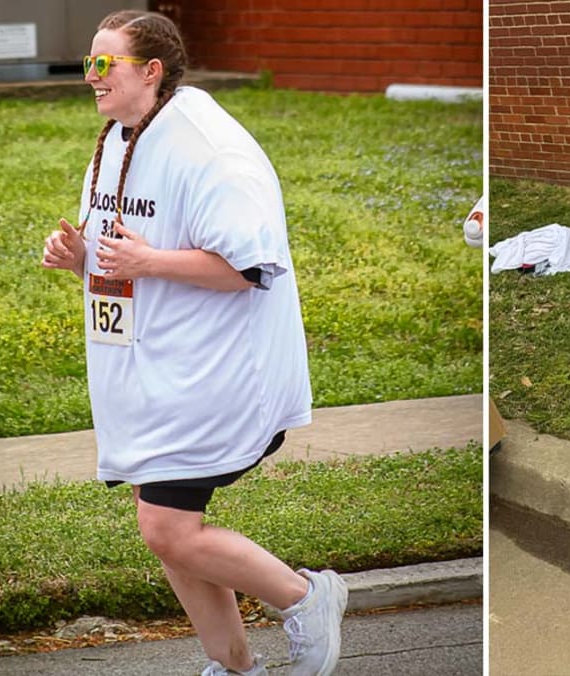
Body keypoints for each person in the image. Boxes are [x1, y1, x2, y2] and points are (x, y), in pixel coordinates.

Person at [41, 10, 345, 675]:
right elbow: (123, 250)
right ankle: (234, 667)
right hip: (151, 372)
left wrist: (147, 263)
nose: (90, 78)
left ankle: (306, 597)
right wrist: (80, 258)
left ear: (151, 71)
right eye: (85, 65)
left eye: (103, 65)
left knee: (166, 528)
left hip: (216, 374)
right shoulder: (122, 136)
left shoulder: (210, 148)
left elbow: (248, 267)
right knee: (169, 536)